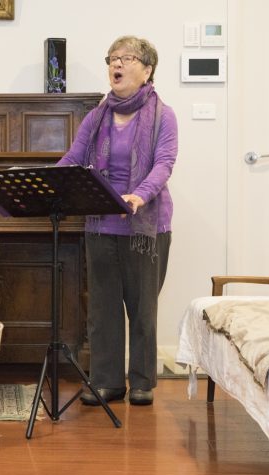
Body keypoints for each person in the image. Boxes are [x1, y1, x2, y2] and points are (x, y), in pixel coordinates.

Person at [58, 35, 178, 406]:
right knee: (103, 308)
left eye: (127, 58)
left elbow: (164, 163)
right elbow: (74, 159)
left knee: (142, 308)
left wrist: (140, 195)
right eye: (113, 58)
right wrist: (48, 183)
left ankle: (143, 381)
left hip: (146, 227)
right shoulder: (96, 116)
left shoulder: (163, 115)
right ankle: (107, 380)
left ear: (147, 70)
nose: (117, 64)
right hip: (101, 224)